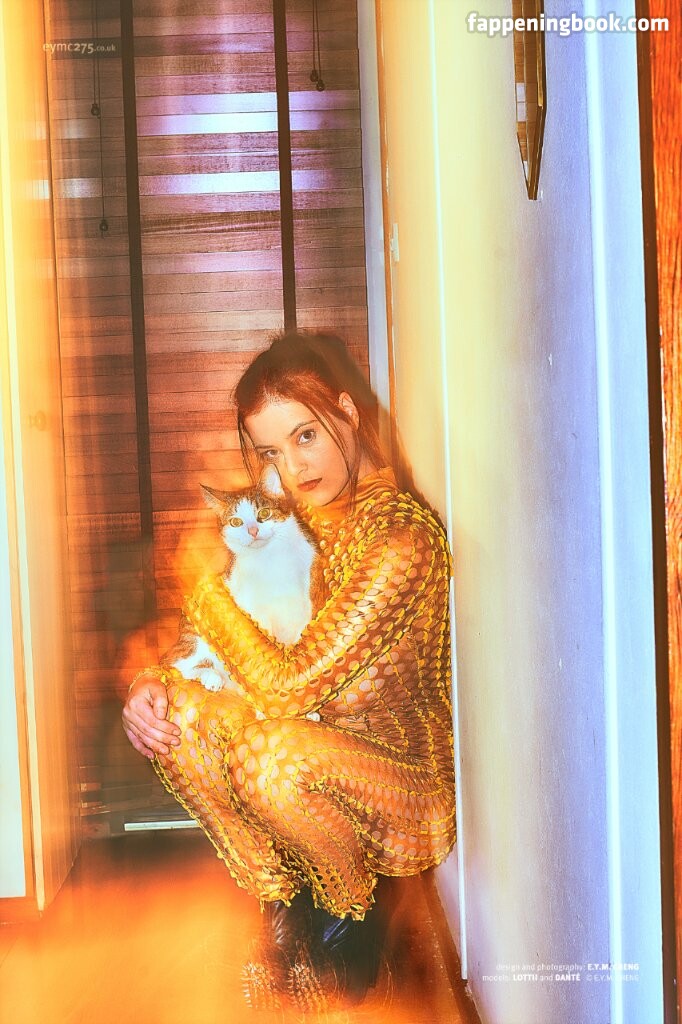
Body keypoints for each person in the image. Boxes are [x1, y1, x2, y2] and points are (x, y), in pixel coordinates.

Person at [121, 331, 457, 1007]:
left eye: (305, 436)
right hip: (309, 757)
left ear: (346, 412)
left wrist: (206, 592)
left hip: (401, 781)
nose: (292, 466)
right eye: (271, 451)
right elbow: (219, 643)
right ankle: (285, 907)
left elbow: (286, 686)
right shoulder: (304, 521)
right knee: (181, 719)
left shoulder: (399, 540)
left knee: (269, 756)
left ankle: (351, 924)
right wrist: (150, 683)